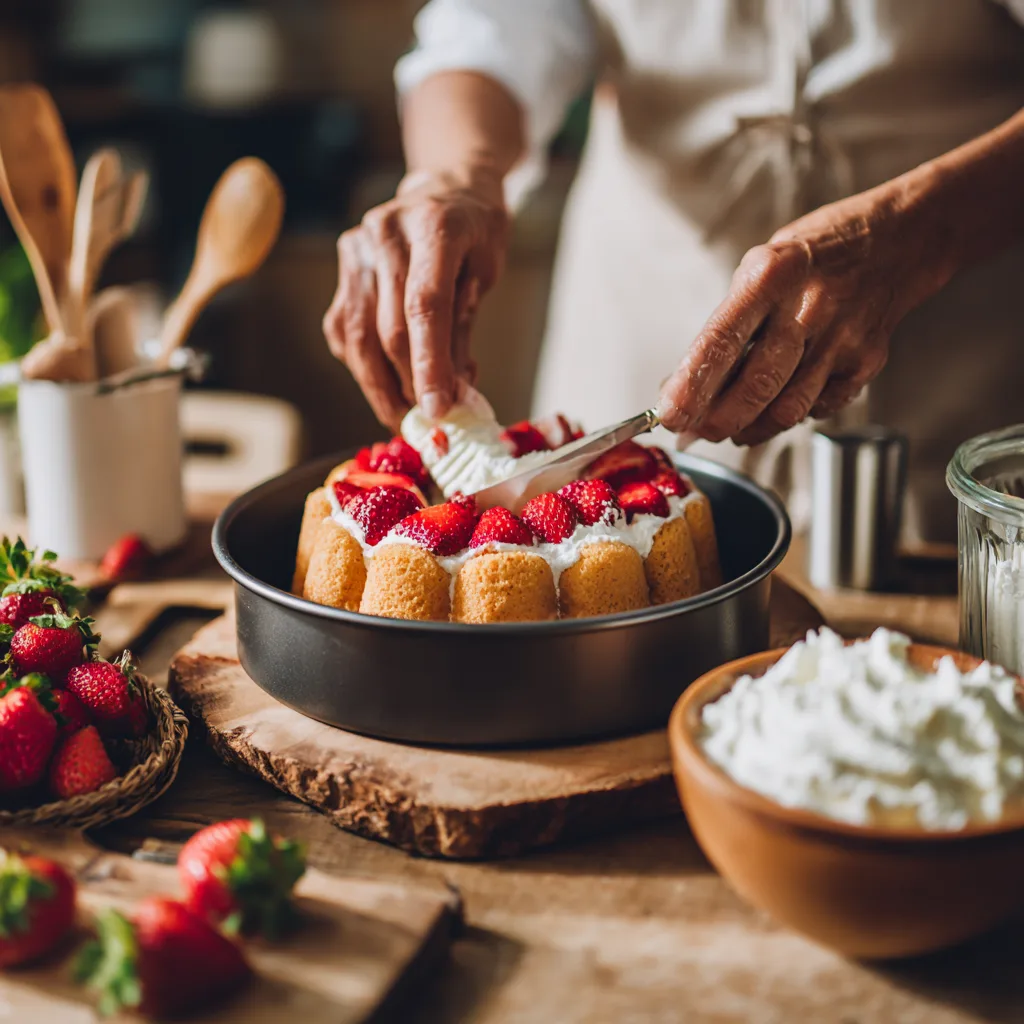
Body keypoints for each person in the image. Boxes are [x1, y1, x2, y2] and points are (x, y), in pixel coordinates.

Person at [322, 0, 1024, 542]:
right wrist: (455, 174)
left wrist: (917, 233)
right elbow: (495, 25)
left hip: (958, 397)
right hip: (628, 347)